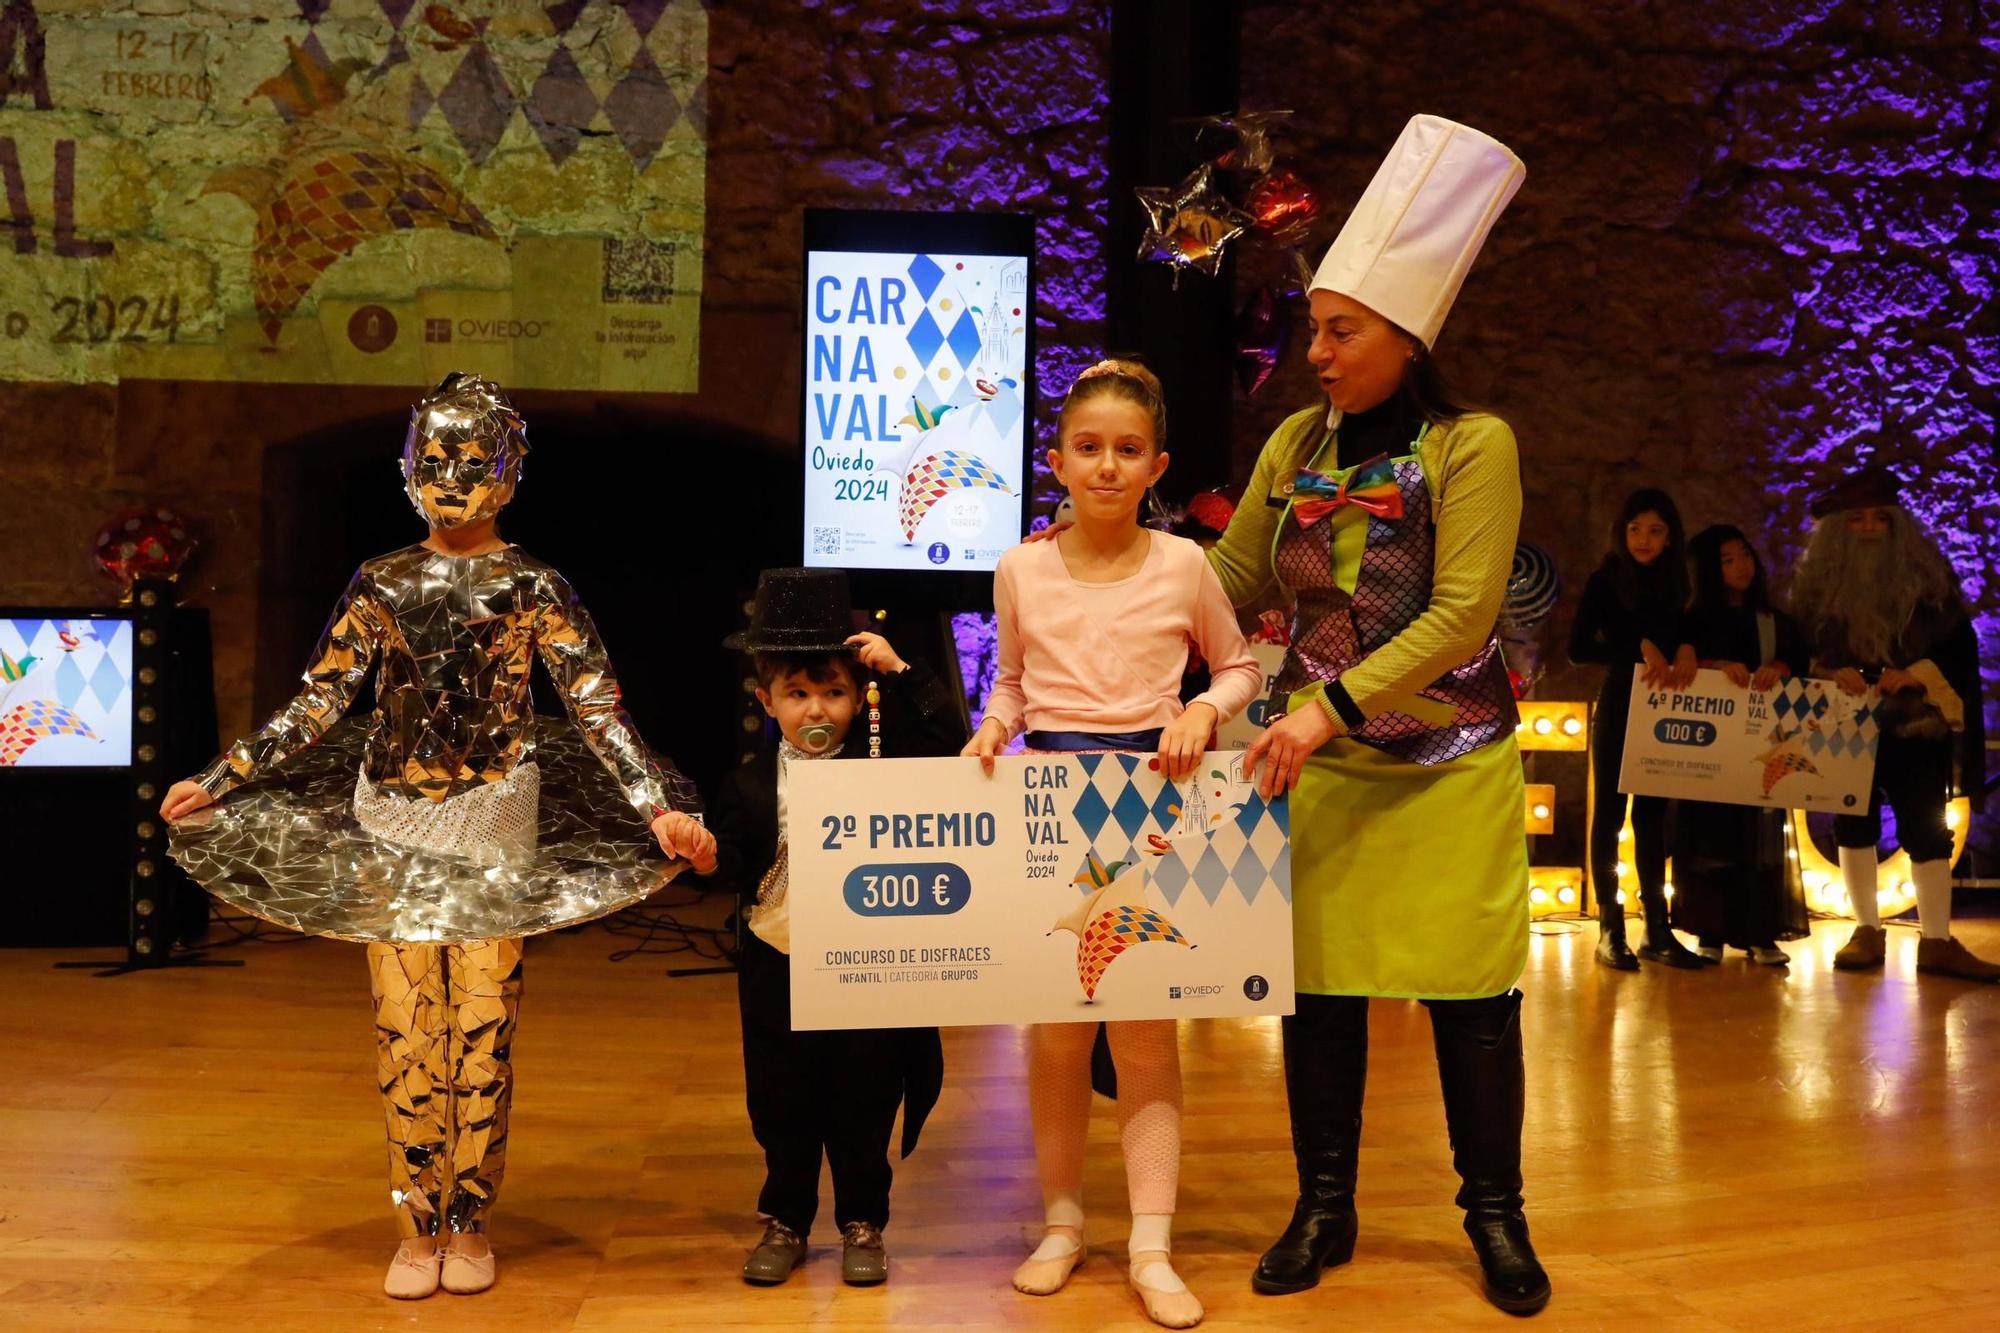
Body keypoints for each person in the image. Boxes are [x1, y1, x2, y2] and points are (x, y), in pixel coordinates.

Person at [160, 374, 712, 1299]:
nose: (449, 477)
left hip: (493, 827)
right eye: (433, 459)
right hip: (395, 829)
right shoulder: (383, 580)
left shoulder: (531, 584)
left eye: (468, 459)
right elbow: (323, 696)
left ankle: (472, 1219)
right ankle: (417, 1222)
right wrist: (224, 775)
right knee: (409, 1032)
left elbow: (593, 705)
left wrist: (655, 802)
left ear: (507, 470)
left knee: (483, 1030)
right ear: (407, 467)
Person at [1204, 114, 1551, 1315]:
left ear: (1405, 338)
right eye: (1312, 328)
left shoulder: (1473, 446)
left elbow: (1461, 620)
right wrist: (1098, 581)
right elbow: (1232, 580)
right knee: (1320, 1002)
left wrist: (1316, 712)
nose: (1315, 352)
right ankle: (1322, 1206)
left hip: (1448, 770)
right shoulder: (1296, 443)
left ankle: (1494, 1219)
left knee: (1471, 1005)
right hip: (1325, 779)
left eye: (1339, 331)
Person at [965, 357, 1263, 1329]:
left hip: (1158, 800)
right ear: (1055, 459)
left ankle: (1150, 1240)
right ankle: (1060, 1223)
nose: (1104, 465)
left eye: (1125, 450)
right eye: (1086, 448)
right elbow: (1011, 680)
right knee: (1055, 1035)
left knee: (1145, 1032)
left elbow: (1239, 666)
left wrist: (1202, 711)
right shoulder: (1018, 567)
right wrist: (991, 726)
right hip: (1049, 800)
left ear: (1155, 465)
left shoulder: (1184, 565)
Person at [701, 568, 963, 1287]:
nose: (817, 706)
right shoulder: (749, 782)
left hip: (862, 962)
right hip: (775, 959)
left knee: (863, 1092)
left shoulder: (881, 764)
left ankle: (862, 1220)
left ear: (857, 695)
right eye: (798, 692)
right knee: (780, 1097)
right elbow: (730, 858)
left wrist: (901, 670)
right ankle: (785, 1217)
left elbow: (952, 743)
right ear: (768, 700)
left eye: (834, 691)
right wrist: (703, 853)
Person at [1789, 463, 1994, 981]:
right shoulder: (1813, 592)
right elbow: (1796, 650)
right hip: (1843, 721)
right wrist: (1830, 673)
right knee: (1851, 826)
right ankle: (1866, 929)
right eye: (1857, 519)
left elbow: (1955, 646)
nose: (1869, 528)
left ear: (1896, 524)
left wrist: (1915, 673)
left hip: (1914, 722)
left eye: (1879, 518)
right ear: (1840, 528)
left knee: (1927, 830)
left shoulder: (1929, 582)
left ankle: (1938, 942)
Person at [1568, 488, 1704, 969]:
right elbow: (1578, 647)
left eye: (1655, 530)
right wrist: (1635, 649)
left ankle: (1657, 929)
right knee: (1610, 812)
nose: (1643, 539)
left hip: (1664, 711)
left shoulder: (1679, 583)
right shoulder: (1606, 580)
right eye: (1634, 529)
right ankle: (1611, 927)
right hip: (1621, 704)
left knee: (1651, 818)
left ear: (1670, 538)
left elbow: (1688, 632)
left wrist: (1686, 646)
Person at [1670, 525, 1811, 964]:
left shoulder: (1774, 621)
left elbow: (1801, 665)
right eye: (1727, 560)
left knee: (1761, 839)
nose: (1740, 567)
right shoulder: (1692, 620)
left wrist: (1780, 667)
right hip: (1710, 753)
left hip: (1761, 746)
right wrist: (1713, 667)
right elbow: (1682, 672)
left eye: (1745, 556)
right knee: (1709, 837)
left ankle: (1760, 934)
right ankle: (1709, 931)